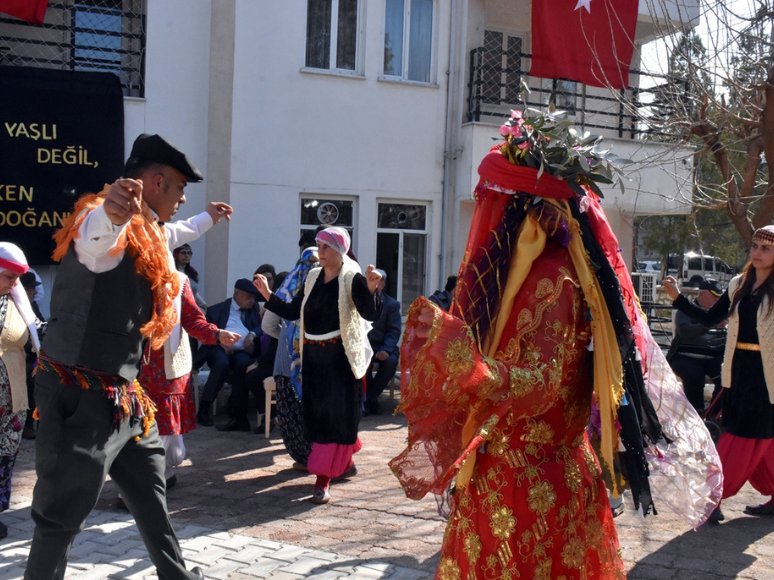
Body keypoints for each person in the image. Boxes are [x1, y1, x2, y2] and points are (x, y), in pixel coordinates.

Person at [389, 108, 722, 580]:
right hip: (541, 473)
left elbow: (542, 385)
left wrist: (468, 364)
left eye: (498, 203)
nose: (491, 218)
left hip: (524, 483)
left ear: (526, 207)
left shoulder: (551, 276)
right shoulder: (550, 270)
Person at [25, 133, 216, 580]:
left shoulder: (152, 231)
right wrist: (111, 213)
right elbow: (96, 238)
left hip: (124, 397)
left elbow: (177, 231)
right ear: (154, 182)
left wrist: (209, 218)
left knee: (152, 495)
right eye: (180, 188)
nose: (184, 199)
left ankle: (177, 576)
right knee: (61, 513)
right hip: (81, 396)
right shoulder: (106, 218)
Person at [254, 226, 382, 504]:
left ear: (340, 251)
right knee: (318, 415)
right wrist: (268, 295)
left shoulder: (352, 278)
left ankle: (322, 481)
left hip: (339, 360)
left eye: (325, 247)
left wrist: (371, 290)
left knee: (331, 419)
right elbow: (292, 312)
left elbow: (369, 313)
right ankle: (345, 458)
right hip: (312, 359)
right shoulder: (312, 277)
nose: (319, 252)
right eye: (319, 246)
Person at [664, 225, 774, 521]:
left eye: (766, 248)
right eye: (755, 246)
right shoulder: (739, 283)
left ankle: (713, 496)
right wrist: (678, 299)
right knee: (760, 434)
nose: (758, 252)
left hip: (767, 375)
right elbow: (711, 318)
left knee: (740, 435)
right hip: (737, 369)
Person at [140, 274, 240, 484]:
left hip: (167, 368)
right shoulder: (125, 274)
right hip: (132, 367)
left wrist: (217, 334)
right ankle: (144, 482)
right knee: (139, 430)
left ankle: (156, 475)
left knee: (167, 432)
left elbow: (193, 319)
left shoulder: (177, 280)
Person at [266, 230, 320, 468]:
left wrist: (287, 340)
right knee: (317, 413)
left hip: (287, 361)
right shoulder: (326, 285)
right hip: (318, 361)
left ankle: (302, 458)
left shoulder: (289, 285)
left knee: (291, 413)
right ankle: (322, 460)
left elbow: (268, 324)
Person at [0, 244, 41, 541]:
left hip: (14, 394)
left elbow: (42, 335)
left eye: (17, 278)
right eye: (8, 277)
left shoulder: (21, 307)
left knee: (6, 455)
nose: (15, 283)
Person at [217, 271, 287, 433]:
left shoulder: (290, 306)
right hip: (272, 356)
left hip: (285, 359)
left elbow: (283, 344)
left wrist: (258, 363)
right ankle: (239, 419)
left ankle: (268, 416)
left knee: (253, 375)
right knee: (242, 367)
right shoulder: (276, 305)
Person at [195, 279, 263, 426]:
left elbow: (261, 326)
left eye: (254, 297)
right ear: (237, 294)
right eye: (248, 296)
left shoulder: (254, 308)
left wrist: (251, 334)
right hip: (218, 349)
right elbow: (207, 333)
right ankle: (204, 408)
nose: (252, 300)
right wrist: (220, 341)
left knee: (245, 365)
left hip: (241, 351)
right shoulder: (216, 310)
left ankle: (237, 410)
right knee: (221, 364)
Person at [667, 279, 726, 413]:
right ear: (701, 295)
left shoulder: (720, 312)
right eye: (714, 297)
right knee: (695, 375)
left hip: (713, 357)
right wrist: (710, 323)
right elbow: (685, 332)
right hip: (685, 357)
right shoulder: (686, 309)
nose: (717, 301)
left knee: (726, 376)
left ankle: (714, 413)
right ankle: (696, 412)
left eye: (719, 298)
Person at [364, 269, 401, 416]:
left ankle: (368, 401)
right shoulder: (360, 302)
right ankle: (371, 401)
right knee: (361, 363)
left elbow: (393, 331)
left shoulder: (392, 305)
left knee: (391, 362)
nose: (372, 284)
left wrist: (386, 349)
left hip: (382, 345)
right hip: (364, 346)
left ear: (382, 285)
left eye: (376, 281)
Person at [20, 271, 43, 440]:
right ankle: (27, 424)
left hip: (34, 355)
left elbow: (42, 329)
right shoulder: (11, 305)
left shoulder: (32, 306)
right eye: (30, 289)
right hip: (19, 356)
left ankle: (34, 422)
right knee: (31, 377)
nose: (34, 292)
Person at [173, 243, 206, 312]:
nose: (187, 255)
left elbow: (194, 293)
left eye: (189, 253)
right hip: (175, 307)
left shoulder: (192, 273)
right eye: (183, 253)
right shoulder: (171, 272)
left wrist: (203, 304)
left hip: (190, 307)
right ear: (176, 255)